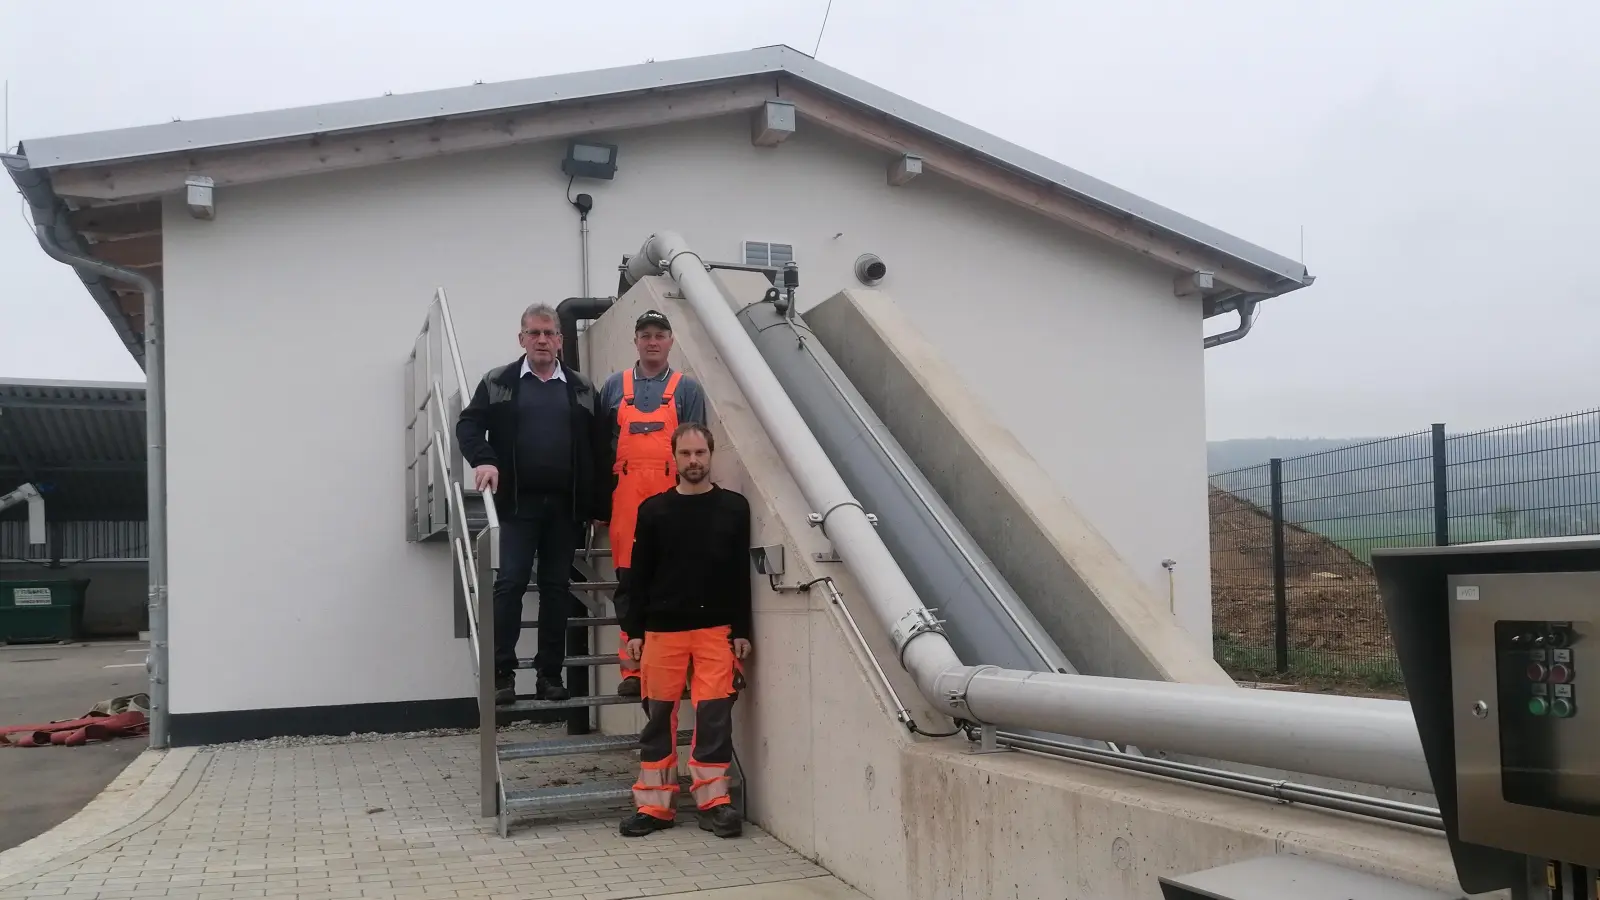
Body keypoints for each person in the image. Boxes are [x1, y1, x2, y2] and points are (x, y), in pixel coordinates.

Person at [456, 303, 610, 705]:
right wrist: (485, 459)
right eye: (534, 333)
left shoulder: (580, 387)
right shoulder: (499, 381)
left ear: (560, 340)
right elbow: (468, 425)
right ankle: (502, 674)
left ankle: (549, 676)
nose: (542, 340)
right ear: (521, 338)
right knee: (509, 583)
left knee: (557, 589)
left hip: (565, 507)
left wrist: (599, 503)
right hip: (517, 506)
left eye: (549, 333)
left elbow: (598, 447)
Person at [618, 423, 752, 839]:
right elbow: (636, 576)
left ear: (711, 455)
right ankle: (655, 808)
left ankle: (714, 804)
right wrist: (634, 631)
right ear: (673, 458)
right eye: (685, 454)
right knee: (659, 719)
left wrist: (742, 629)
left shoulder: (734, 507)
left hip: (716, 631)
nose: (693, 461)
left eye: (700, 454)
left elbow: (738, 576)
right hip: (662, 633)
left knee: (714, 719)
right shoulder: (654, 510)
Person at [597, 310, 708, 698]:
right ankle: (632, 672)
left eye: (659, 334)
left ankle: (672, 667)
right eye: (645, 334)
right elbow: (600, 449)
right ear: (636, 340)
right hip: (626, 499)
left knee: (673, 581)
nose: (652, 341)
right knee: (629, 585)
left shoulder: (687, 390)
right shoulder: (613, 387)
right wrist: (599, 502)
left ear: (671, 340)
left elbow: (698, 451)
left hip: (671, 499)